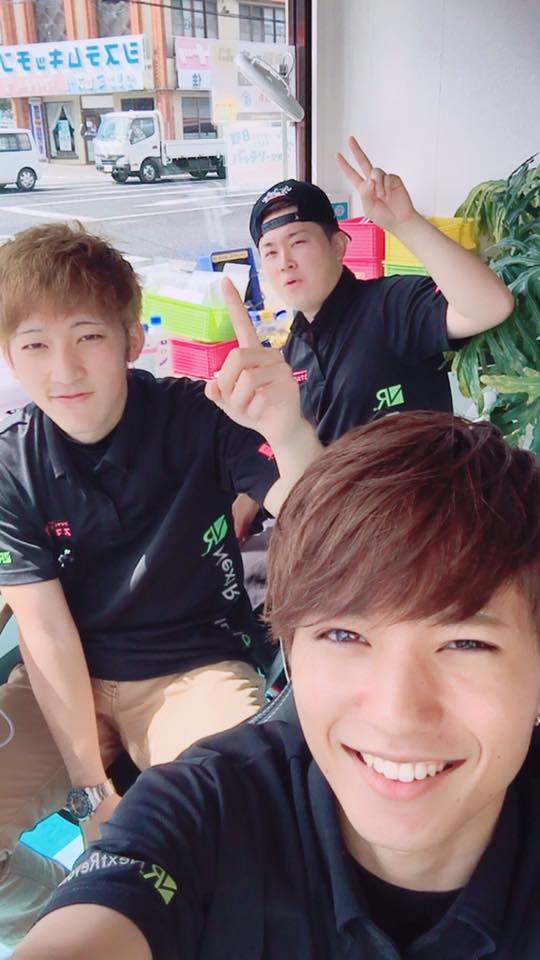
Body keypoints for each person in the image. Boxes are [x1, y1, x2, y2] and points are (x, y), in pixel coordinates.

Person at [13, 411, 540, 960]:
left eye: (465, 644)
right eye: (344, 635)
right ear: (290, 652)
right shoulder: (208, 809)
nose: (397, 713)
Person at [0, 223, 321, 948]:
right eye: (34, 345)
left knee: (241, 838)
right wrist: (91, 791)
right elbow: (45, 636)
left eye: (87, 336)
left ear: (130, 340)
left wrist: (290, 432)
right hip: (67, 683)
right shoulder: (13, 467)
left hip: (193, 670)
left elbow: (325, 520)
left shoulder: (199, 416)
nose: (64, 369)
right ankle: (61, 914)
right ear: (10, 356)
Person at [234, 135, 514, 548]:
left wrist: (405, 223)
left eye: (298, 242)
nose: (285, 262)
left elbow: (489, 306)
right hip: (346, 543)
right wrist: (250, 492)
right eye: (270, 252)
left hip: (425, 539)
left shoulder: (391, 304)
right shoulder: (291, 352)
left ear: (339, 245)